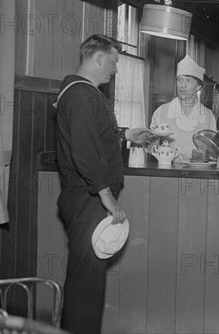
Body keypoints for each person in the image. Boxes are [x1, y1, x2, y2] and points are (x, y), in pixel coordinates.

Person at [55, 34, 151, 334]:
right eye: (113, 62)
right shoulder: (81, 95)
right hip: (89, 199)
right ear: (98, 59)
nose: (115, 69)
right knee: (86, 285)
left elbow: (94, 135)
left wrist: (124, 136)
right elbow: (84, 148)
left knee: (89, 281)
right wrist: (106, 194)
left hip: (89, 197)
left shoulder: (81, 93)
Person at [150, 55, 216, 161]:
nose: (183, 85)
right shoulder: (162, 112)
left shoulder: (208, 116)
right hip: (168, 173)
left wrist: (206, 155)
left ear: (198, 86)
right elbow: (151, 148)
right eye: (180, 80)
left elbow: (213, 151)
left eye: (188, 81)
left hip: (198, 173)